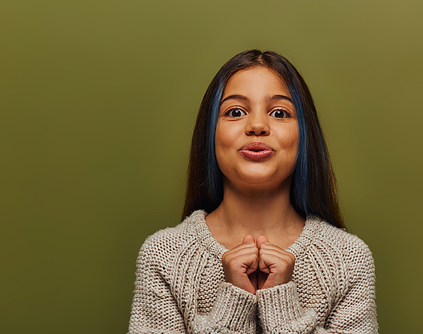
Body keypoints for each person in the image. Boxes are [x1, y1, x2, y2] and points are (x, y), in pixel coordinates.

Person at [128, 50, 378, 333]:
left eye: (279, 113)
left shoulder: (348, 258)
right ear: (211, 131)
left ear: (303, 135)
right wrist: (232, 308)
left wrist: (282, 308)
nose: (257, 126)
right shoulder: (163, 256)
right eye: (235, 112)